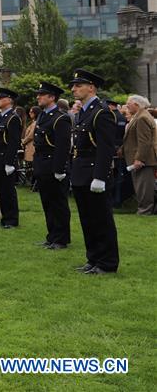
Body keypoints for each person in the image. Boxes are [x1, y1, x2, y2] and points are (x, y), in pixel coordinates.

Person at [69, 69, 119, 274]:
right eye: (73, 85)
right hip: (81, 173)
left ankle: (107, 263)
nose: (73, 89)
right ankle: (94, 259)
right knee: (88, 220)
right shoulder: (84, 112)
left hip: (94, 175)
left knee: (101, 220)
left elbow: (106, 148)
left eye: (78, 85)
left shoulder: (101, 112)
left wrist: (99, 177)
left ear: (91, 87)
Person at [32, 82, 72, 249]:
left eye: (42, 95)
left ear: (52, 97)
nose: (38, 97)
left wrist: (59, 169)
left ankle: (61, 239)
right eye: (38, 94)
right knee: (47, 202)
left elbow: (63, 146)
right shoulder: (42, 115)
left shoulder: (61, 117)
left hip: (54, 165)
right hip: (42, 164)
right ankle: (52, 235)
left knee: (58, 203)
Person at [0, 88, 22, 228]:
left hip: (5, 160)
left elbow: (13, 142)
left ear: (9, 100)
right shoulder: (2, 117)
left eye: (1, 98)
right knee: (2, 191)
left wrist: (10, 162)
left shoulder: (13, 118)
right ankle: (5, 218)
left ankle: (12, 220)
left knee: (8, 191)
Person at [121, 95, 157, 215]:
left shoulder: (142, 117)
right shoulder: (140, 116)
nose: (126, 106)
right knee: (141, 186)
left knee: (144, 187)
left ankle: (145, 210)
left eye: (128, 103)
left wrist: (139, 158)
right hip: (142, 159)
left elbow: (144, 141)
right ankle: (145, 209)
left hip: (144, 160)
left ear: (136, 104)